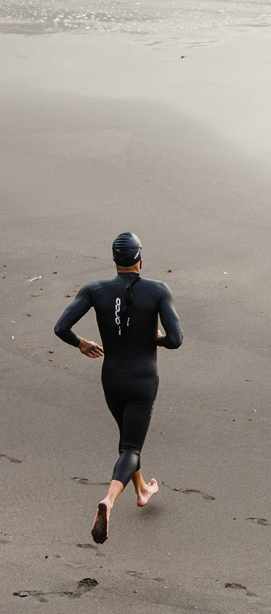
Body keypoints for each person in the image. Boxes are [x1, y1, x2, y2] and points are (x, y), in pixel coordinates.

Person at [54, 232, 183, 544]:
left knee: (127, 439)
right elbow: (176, 340)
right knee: (130, 448)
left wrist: (81, 343)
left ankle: (141, 490)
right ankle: (109, 500)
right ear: (140, 259)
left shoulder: (94, 290)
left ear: (115, 260)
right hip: (143, 380)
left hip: (111, 379)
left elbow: (61, 328)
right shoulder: (158, 291)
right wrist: (157, 339)